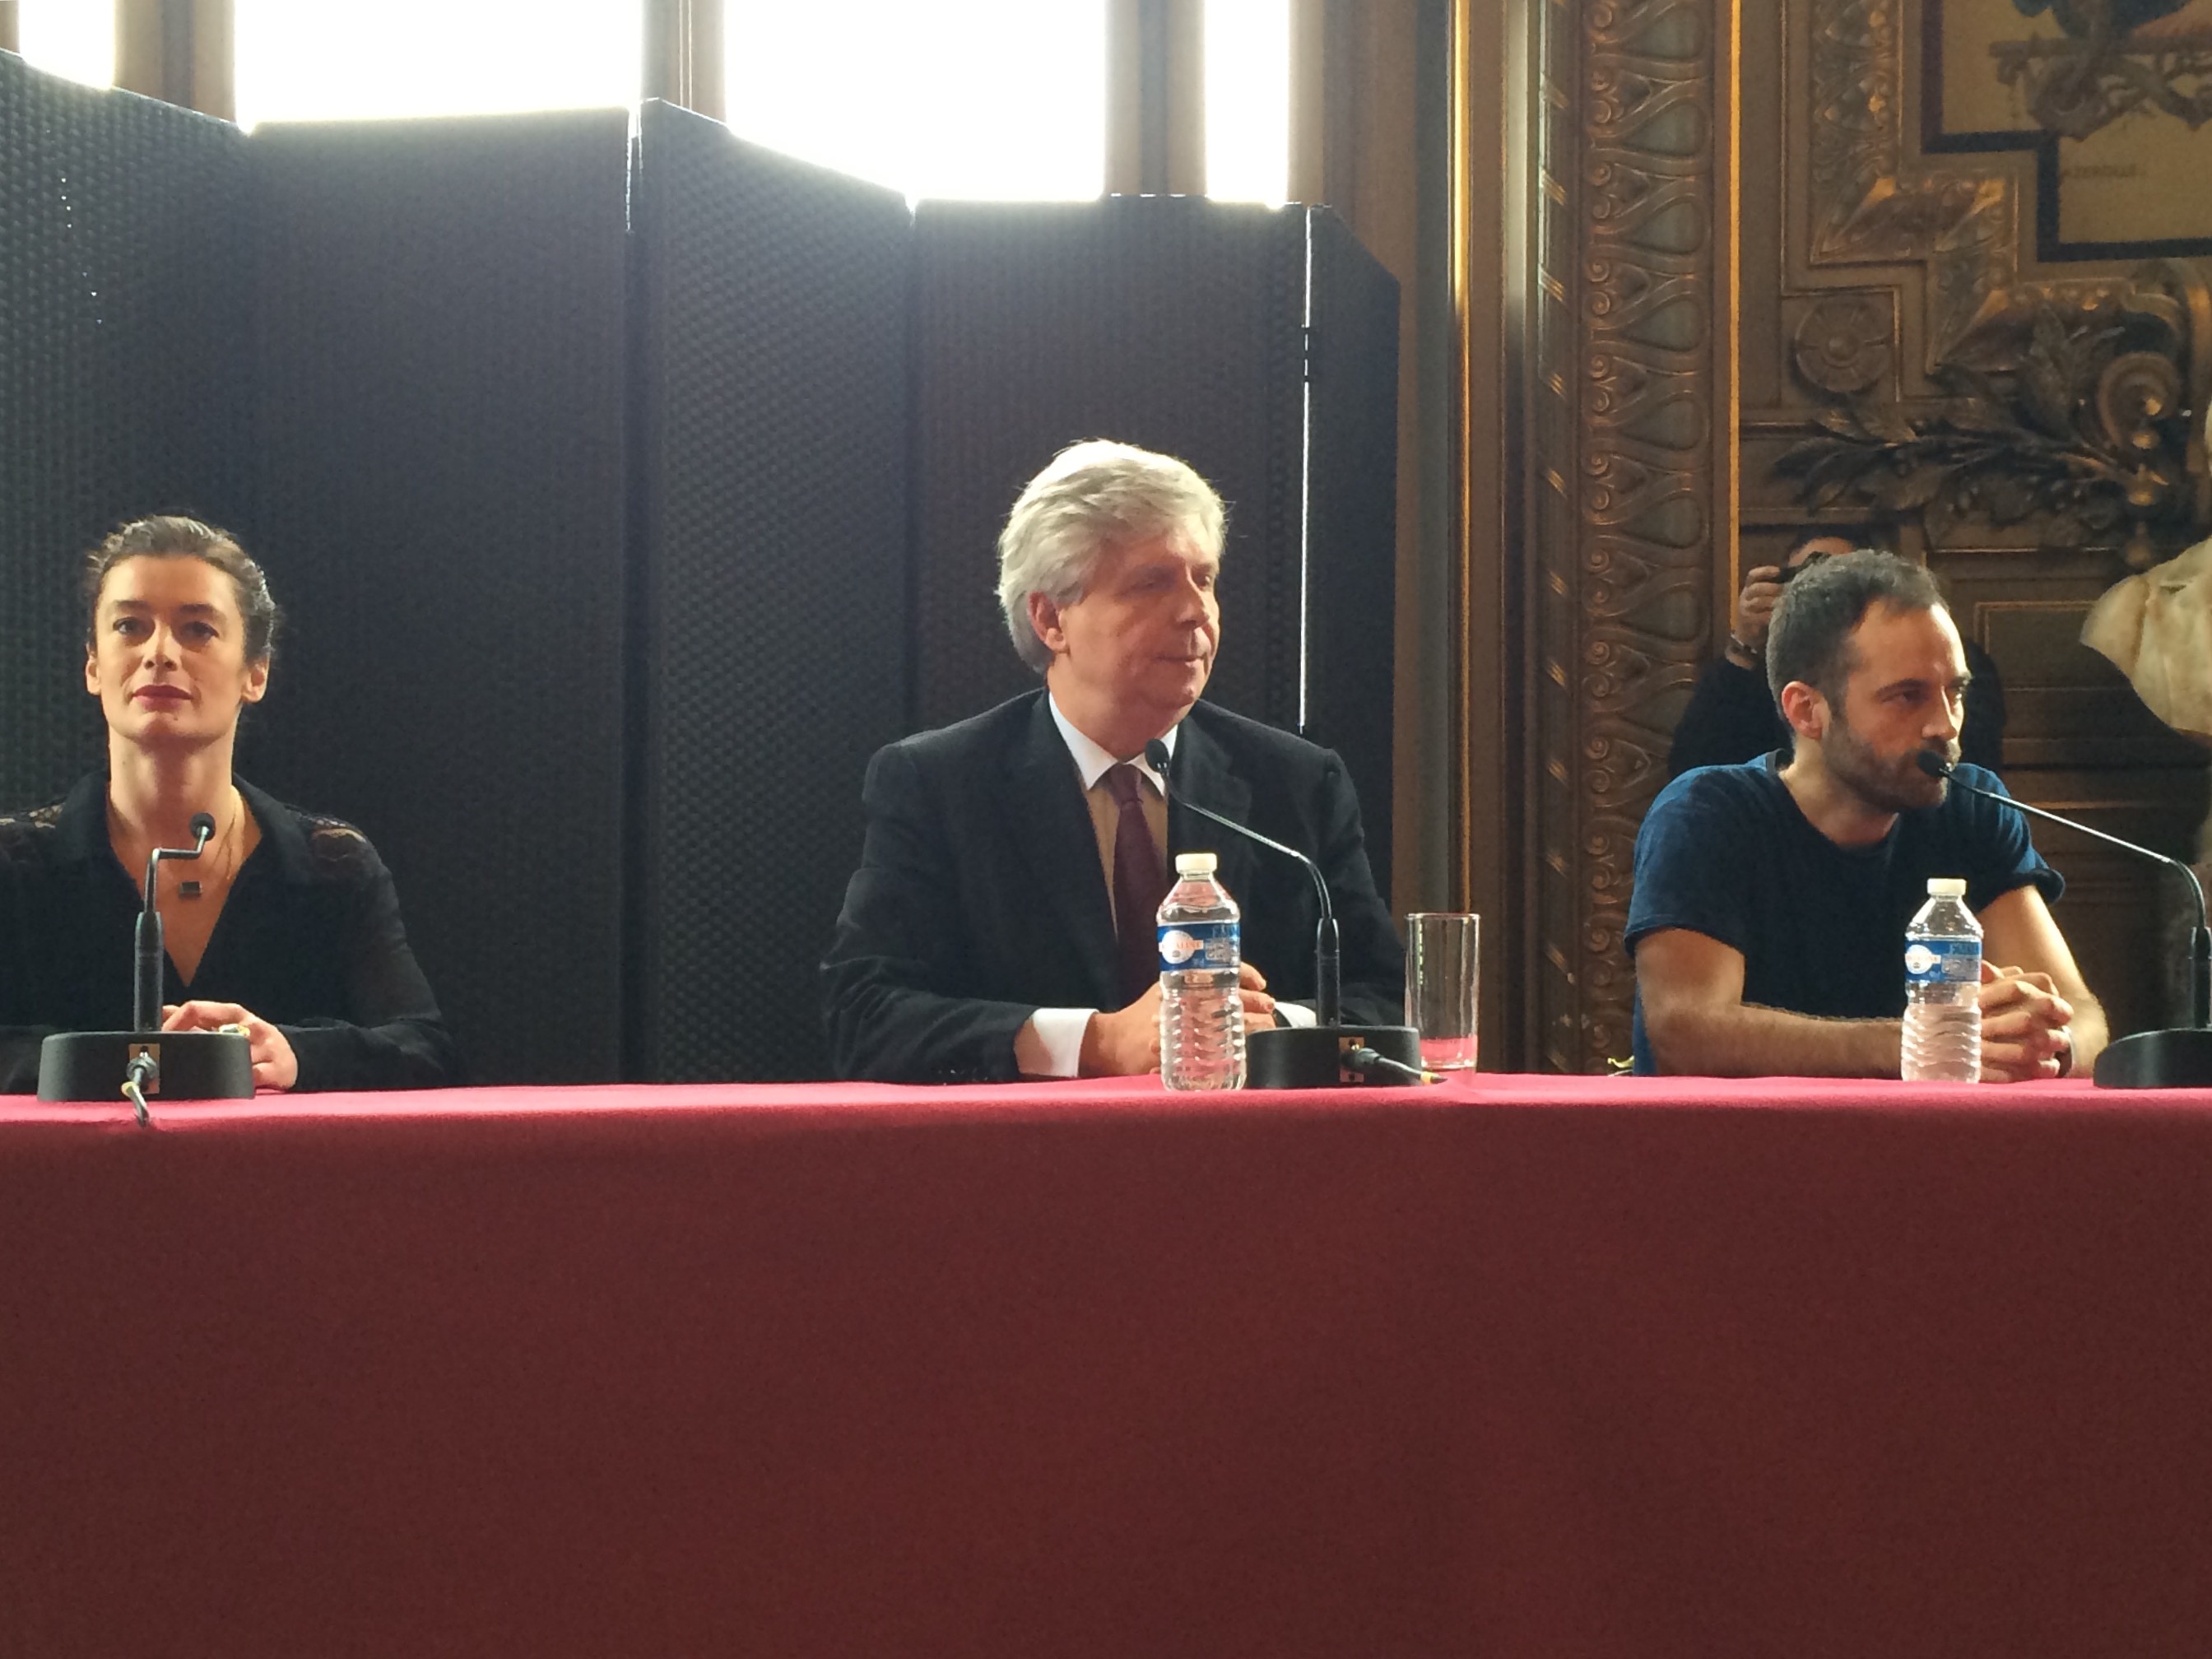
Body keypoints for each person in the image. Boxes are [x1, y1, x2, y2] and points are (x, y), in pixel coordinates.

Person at [822, 439, 1405, 1083]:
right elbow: (866, 1015)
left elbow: (1386, 996)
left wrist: (1271, 1029)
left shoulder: (1294, 782)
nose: (1196, 611)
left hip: (1252, 1164)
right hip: (1027, 1166)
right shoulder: (940, 784)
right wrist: (1097, 1041)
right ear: (1051, 619)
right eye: (1152, 583)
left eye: (1204, 578)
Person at [0, 516, 458, 1093]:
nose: (159, 652)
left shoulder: (332, 865)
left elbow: (426, 1051)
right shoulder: (15, 864)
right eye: (130, 625)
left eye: (197, 630)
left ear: (256, 673)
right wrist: (120, 1063)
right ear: (94, 665)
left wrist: (294, 1054)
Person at [1627, 548, 2105, 1080]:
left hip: (1933, 1155)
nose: (1945, 726)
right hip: (1741, 1152)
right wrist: (1923, 1044)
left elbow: (2082, 1016)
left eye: (1956, 692)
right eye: (1907, 697)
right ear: (1806, 710)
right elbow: (1686, 1034)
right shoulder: (1706, 815)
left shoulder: (1972, 809)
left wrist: (2044, 1043)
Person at [1668, 531, 2007, 778]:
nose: (1944, 724)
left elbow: (1974, 757)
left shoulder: (1950, 661)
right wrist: (1745, 647)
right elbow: (1695, 765)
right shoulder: (1768, 674)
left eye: (1841, 580)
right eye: (1807, 581)